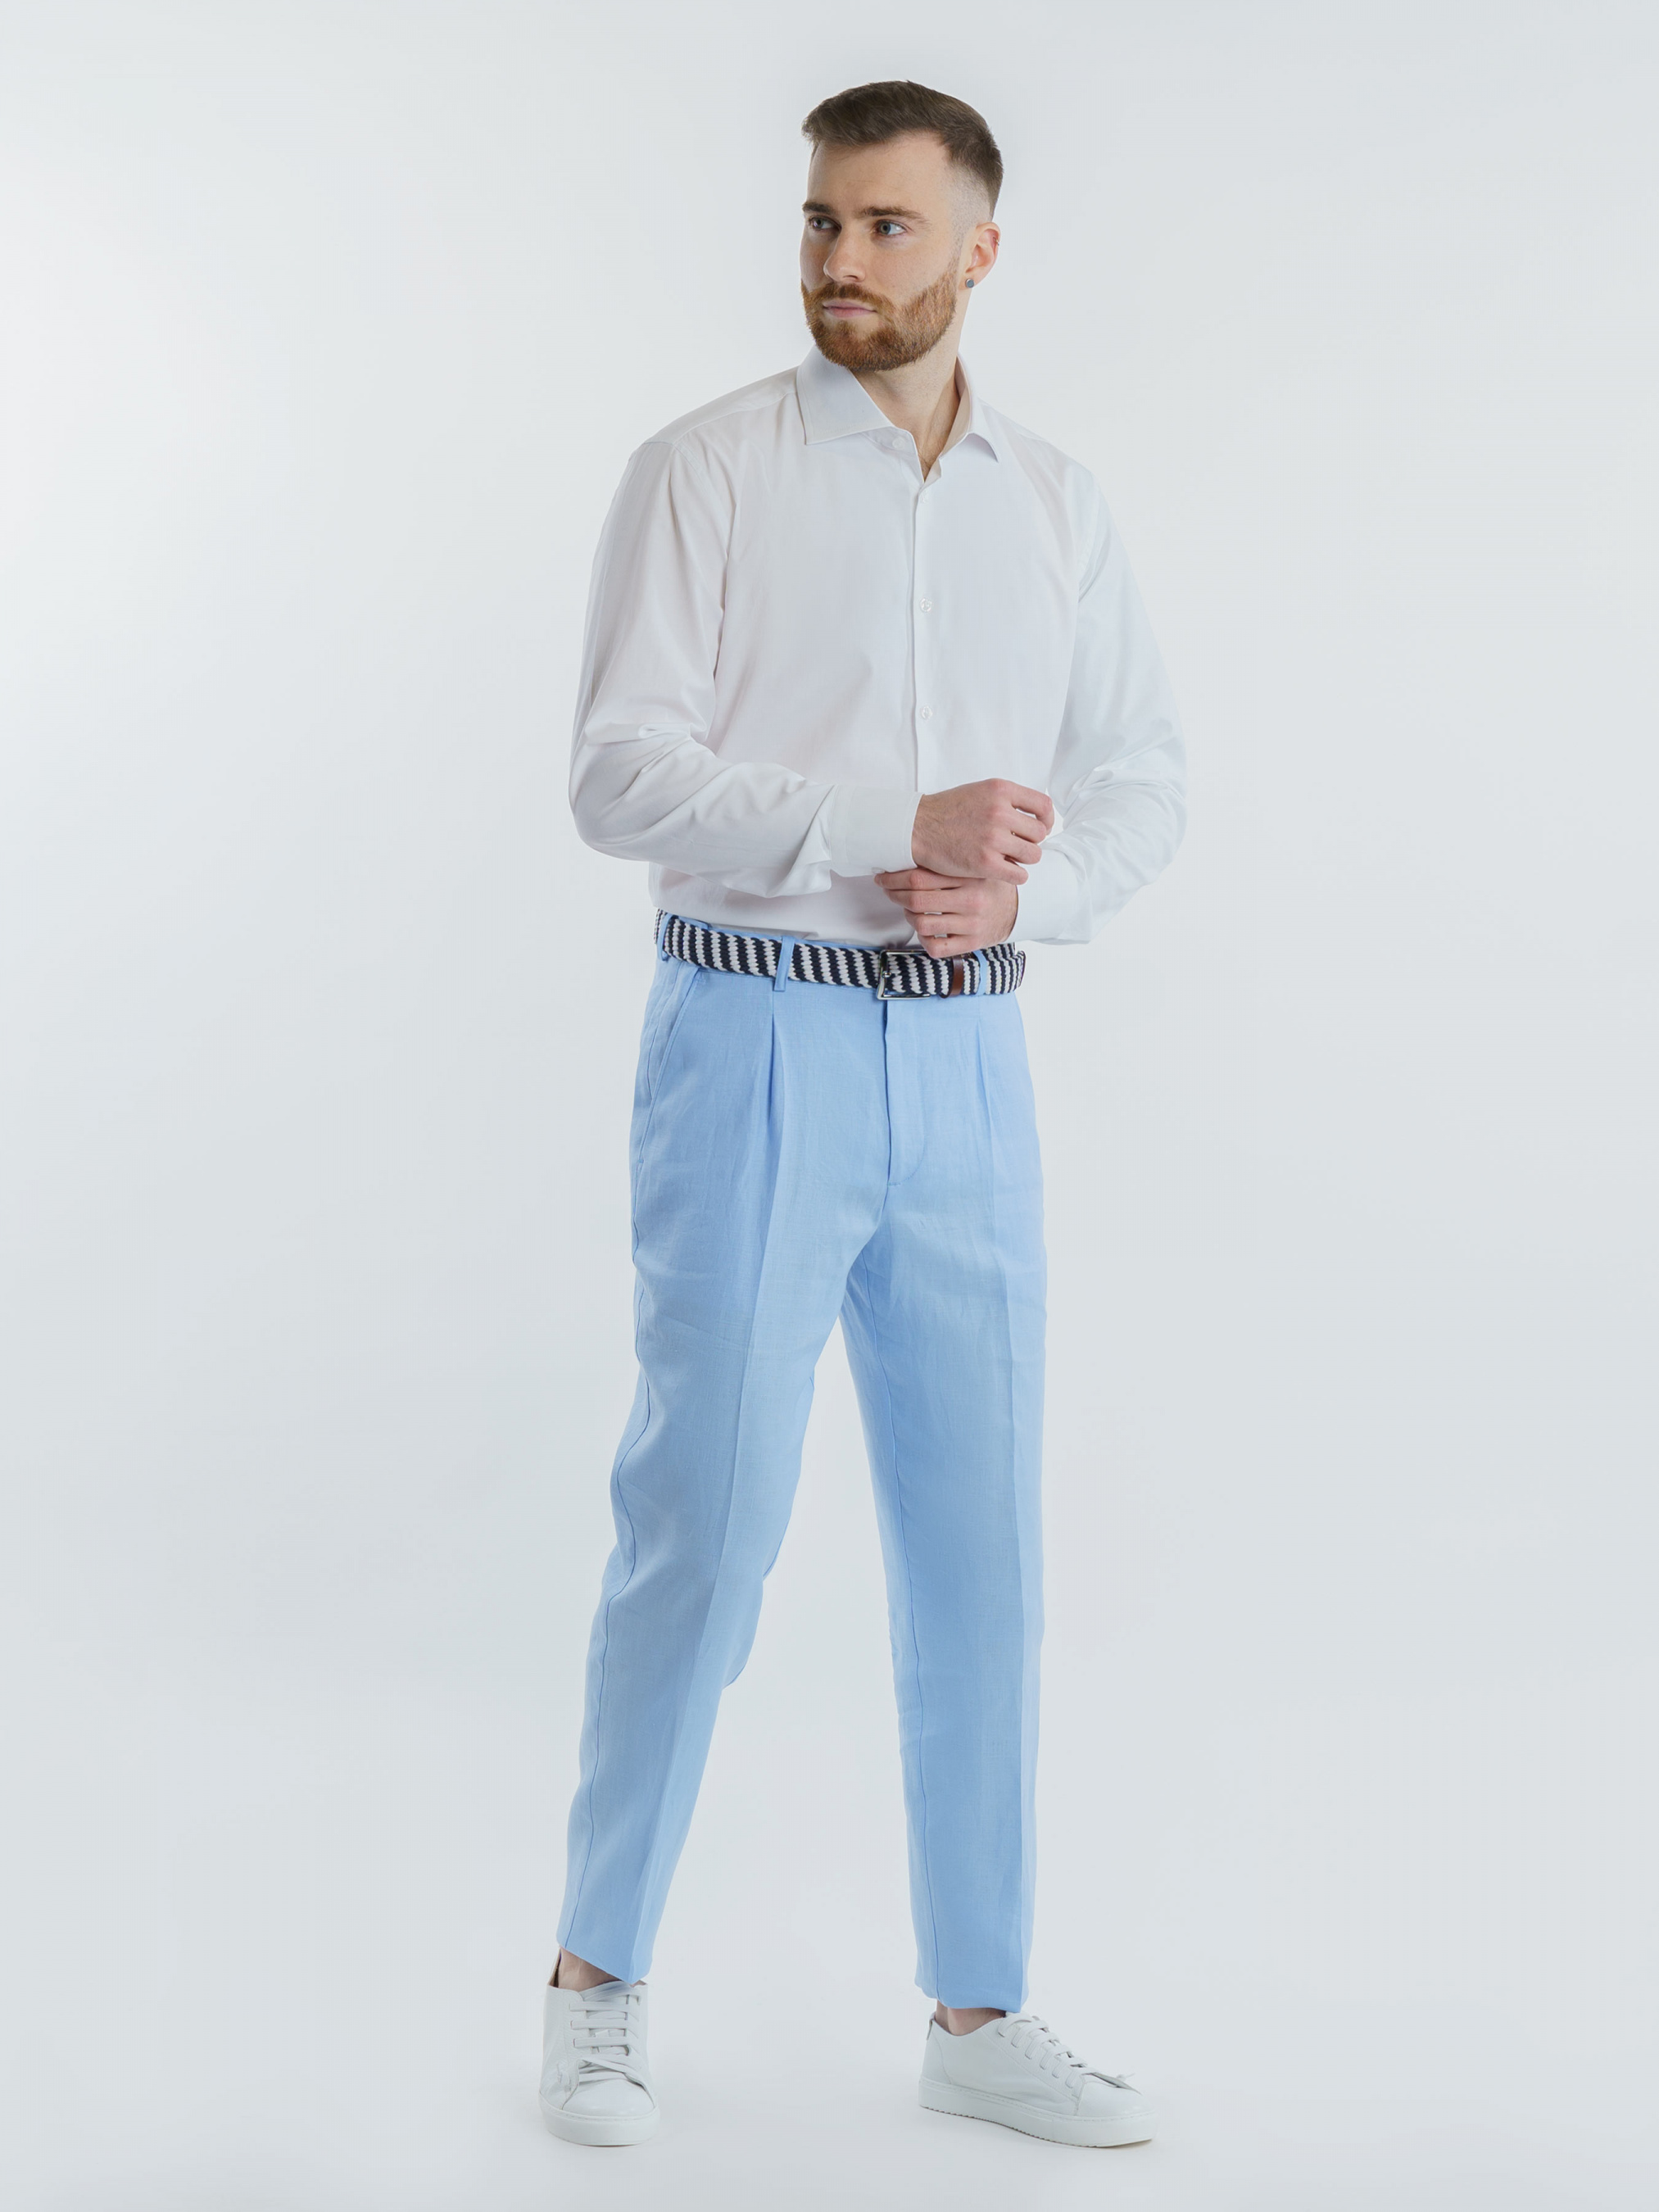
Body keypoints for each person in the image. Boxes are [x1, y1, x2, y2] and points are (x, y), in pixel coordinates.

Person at [540, 79, 1185, 2151]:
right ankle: (593, 1986)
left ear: (977, 250)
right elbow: (615, 773)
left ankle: (977, 2007)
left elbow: (1142, 778)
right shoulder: (704, 472)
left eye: (886, 227)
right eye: (821, 220)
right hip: (753, 1040)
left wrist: (1029, 899)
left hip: (969, 1062)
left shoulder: (1053, 502)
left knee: (979, 1552)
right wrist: (883, 821)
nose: (839, 260)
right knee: (703, 1524)